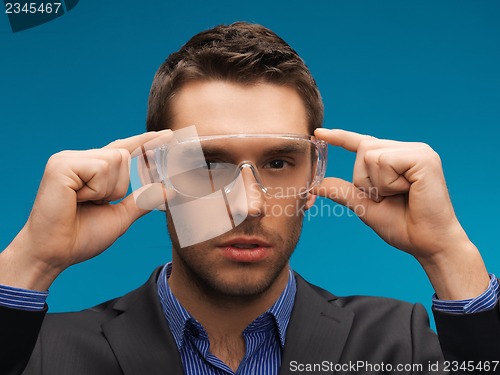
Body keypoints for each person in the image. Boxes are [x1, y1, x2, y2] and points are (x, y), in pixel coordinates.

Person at [0, 22, 499, 375]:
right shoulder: (43, 352)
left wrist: (447, 253)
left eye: (279, 163)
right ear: (154, 172)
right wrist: (31, 261)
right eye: (207, 164)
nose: (250, 205)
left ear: (315, 175)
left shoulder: (399, 346)